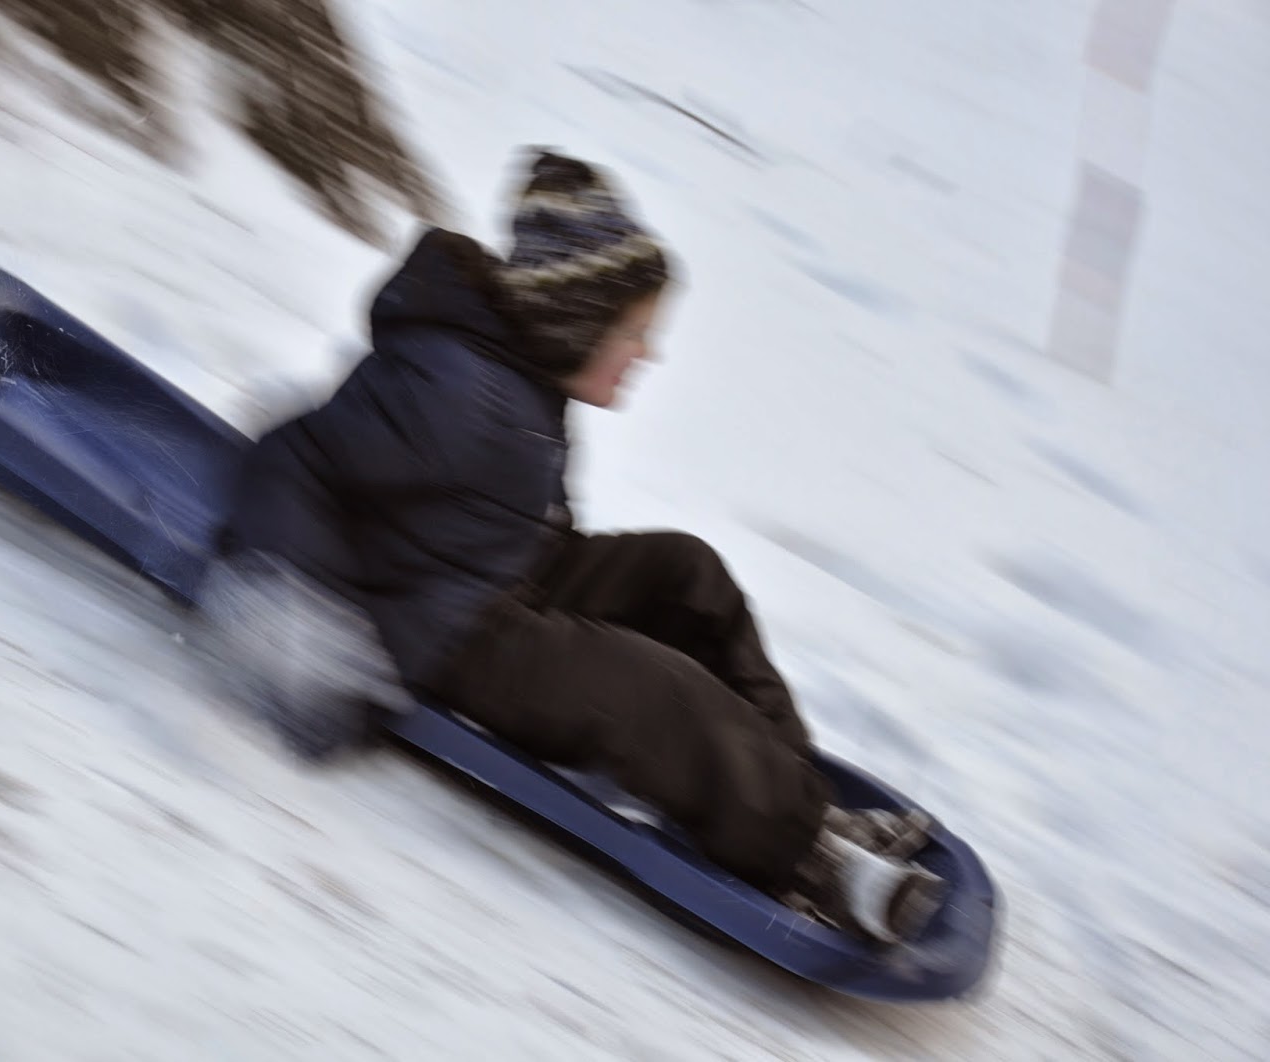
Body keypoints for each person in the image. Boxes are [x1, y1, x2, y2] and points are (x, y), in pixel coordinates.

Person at [207, 150, 942, 943]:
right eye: (635, 333)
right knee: (651, 690)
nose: (648, 354)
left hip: (503, 577)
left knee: (685, 572)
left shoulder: (520, 372)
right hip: (442, 631)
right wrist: (288, 613)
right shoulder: (454, 391)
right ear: (577, 322)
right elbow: (295, 461)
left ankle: (799, 800)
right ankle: (812, 861)